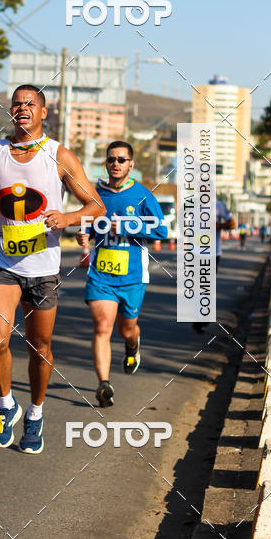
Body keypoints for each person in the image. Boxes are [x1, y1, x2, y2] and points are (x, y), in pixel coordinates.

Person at [0, 84, 104, 454]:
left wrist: (67, 217)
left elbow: (95, 204)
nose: (22, 109)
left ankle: (35, 413)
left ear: (43, 112)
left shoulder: (59, 156)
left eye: (29, 104)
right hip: (1, 261)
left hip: (43, 266)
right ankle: (6, 405)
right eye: (16, 104)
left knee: (40, 346)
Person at [76, 141, 168, 407]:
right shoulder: (96, 194)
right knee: (102, 326)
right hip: (101, 274)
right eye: (111, 159)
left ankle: (132, 344)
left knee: (126, 329)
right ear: (106, 163)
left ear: (131, 164)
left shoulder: (142, 195)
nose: (115, 163)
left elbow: (161, 230)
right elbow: (90, 225)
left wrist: (127, 225)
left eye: (121, 159)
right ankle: (103, 384)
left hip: (133, 276)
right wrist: (85, 234)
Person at [192, 198, 234, 334]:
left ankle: (202, 318)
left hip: (213, 253)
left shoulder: (218, 206)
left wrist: (218, 226)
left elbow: (232, 223)